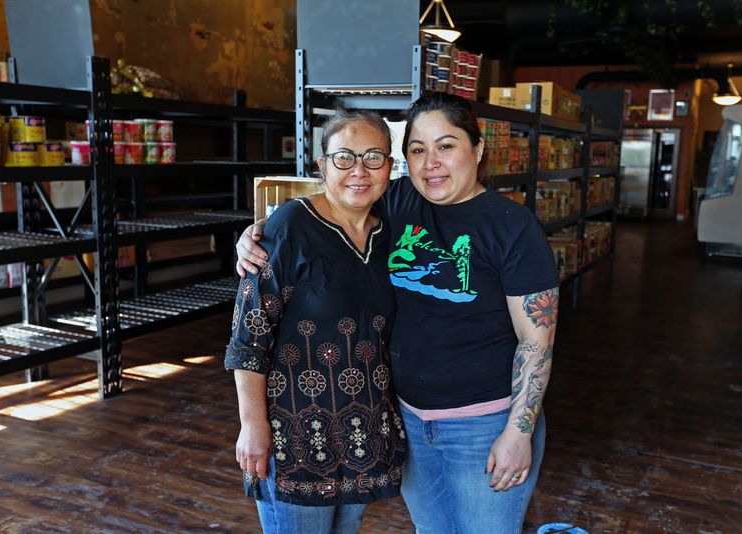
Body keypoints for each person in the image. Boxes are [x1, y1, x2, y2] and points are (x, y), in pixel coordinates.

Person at [236, 92, 559, 533]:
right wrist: (259, 230)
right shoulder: (398, 202)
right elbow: (328, 199)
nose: (432, 163)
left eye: (446, 145)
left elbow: (536, 339)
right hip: (408, 422)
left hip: (483, 427)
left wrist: (519, 433)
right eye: (418, 149)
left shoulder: (513, 226)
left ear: (477, 149)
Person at [225, 108, 407, 534]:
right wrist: (252, 425)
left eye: (373, 157)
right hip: (296, 438)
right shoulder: (290, 226)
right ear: (323, 165)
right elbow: (248, 338)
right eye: (344, 157)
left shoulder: (392, 234)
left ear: (390, 167)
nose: (358, 171)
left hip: (363, 434)